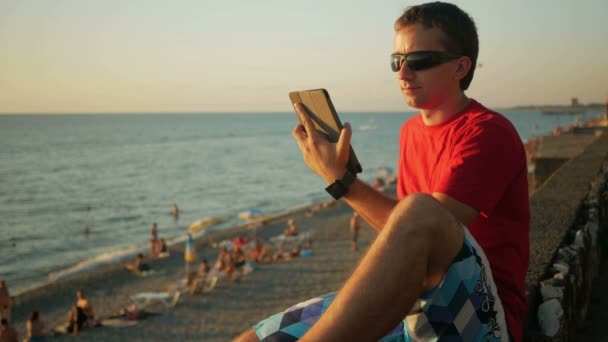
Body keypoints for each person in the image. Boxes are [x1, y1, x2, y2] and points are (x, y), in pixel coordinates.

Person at [237, 2, 529, 341]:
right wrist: (340, 179)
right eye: (397, 61)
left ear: (460, 67)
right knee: (254, 338)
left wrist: (343, 182)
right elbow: (403, 236)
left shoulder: (487, 131)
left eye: (419, 61)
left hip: (479, 313)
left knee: (420, 208)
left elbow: (428, 232)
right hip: (413, 297)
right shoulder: (410, 132)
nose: (403, 74)